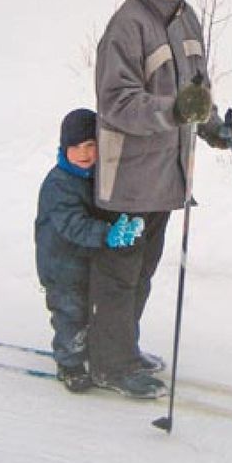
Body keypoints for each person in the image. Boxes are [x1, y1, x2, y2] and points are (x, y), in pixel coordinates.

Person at [92, 0, 232, 399]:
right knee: (120, 274)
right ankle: (109, 364)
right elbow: (115, 103)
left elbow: (196, 90)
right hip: (129, 174)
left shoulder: (186, 17)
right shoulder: (126, 25)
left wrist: (212, 125)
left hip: (167, 173)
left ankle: (124, 349)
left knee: (143, 270)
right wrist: (173, 112)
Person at [34, 108, 146, 394]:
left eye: (90, 146)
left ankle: (94, 353)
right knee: (69, 314)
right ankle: (69, 363)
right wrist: (107, 234)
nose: (83, 154)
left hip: (85, 262)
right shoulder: (58, 183)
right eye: (75, 147)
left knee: (89, 311)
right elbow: (73, 225)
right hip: (61, 267)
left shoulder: (93, 177)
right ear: (64, 149)